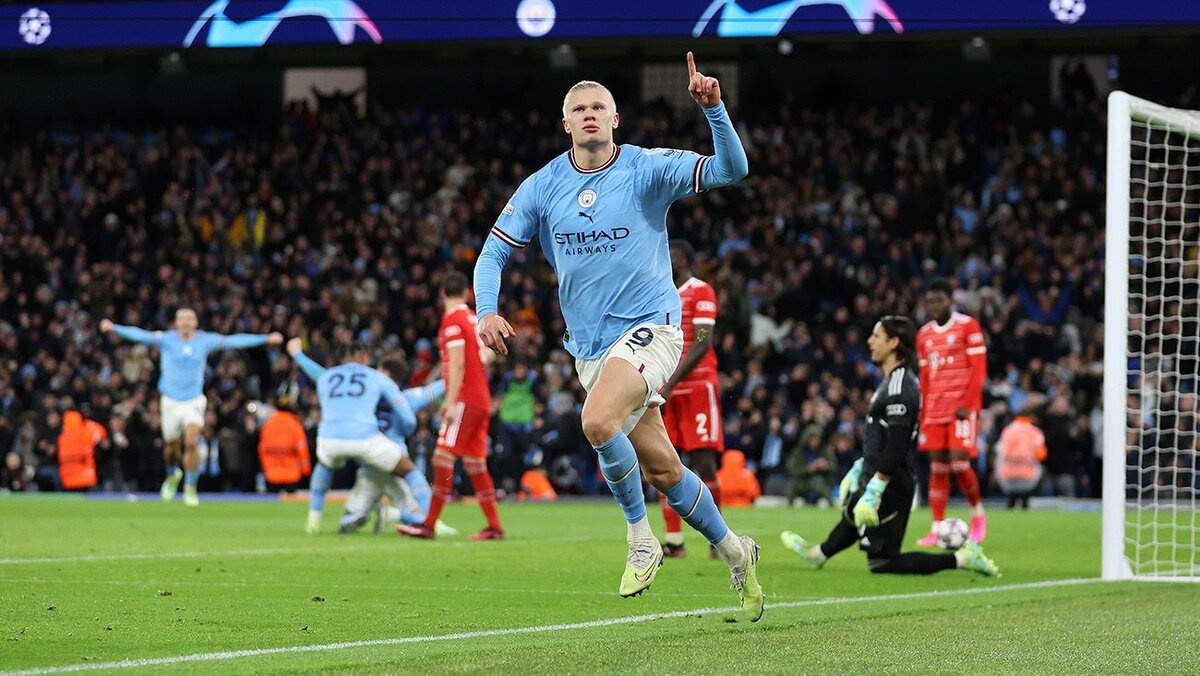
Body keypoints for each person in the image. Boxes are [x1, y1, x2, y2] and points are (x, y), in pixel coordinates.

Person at [471, 52, 763, 621]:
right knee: (664, 471)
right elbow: (492, 253)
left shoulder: (645, 169)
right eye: (578, 108)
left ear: (615, 118)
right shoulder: (542, 186)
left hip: (653, 327)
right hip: (590, 349)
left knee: (597, 422)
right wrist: (485, 311)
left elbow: (732, 171)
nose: (589, 114)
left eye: (598, 107)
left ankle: (640, 538)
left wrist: (715, 111)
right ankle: (736, 550)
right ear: (565, 123)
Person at [781, 317, 1000, 577]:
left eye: (877, 336)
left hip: (892, 483)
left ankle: (962, 558)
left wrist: (875, 490)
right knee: (853, 515)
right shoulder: (890, 381)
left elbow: (897, 444)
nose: (870, 342)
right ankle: (816, 555)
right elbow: (883, 436)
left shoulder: (900, 386)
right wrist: (861, 466)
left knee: (882, 562)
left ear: (894, 343)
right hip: (878, 472)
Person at [100, 309, 283, 506]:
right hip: (170, 401)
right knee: (171, 448)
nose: (186, 322)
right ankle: (173, 474)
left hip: (193, 401)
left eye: (190, 319)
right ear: (176, 322)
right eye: (182, 319)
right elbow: (140, 335)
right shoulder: (166, 339)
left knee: (191, 441)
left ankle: (190, 486)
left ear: (196, 322)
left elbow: (234, 341)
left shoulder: (205, 340)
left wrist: (265, 338)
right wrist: (114, 328)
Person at [397, 272, 505, 541]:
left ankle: (428, 524)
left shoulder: (452, 321)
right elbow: (487, 355)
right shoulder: (474, 318)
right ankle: (494, 527)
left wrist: (451, 399)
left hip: (465, 399)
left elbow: (457, 363)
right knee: (475, 463)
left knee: (442, 457)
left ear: (442, 293)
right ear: (467, 294)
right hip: (482, 399)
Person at [286, 338, 418, 535]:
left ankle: (314, 520)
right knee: (409, 481)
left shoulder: (332, 376)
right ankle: (426, 519)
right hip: (376, 448)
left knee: (326, 465)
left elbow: (318, 374)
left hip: (339, 445)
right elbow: (413, 412)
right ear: (365, 358)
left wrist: (298, 355)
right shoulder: (377, 379)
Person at [658, 239, 725, 558]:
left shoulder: (701, 291)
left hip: (697, 388)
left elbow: (702, 339)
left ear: (683, 260)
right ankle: (674, 541)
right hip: (664, 390)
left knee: (703, 463)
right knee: (662, 462)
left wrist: (671, 382)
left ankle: (718, 539)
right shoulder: (658, 292)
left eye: (670, 256)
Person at [339, 360, 452, 536]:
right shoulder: (405, 398)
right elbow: (430, 392)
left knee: (348, 518)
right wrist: (455, 376)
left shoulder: (364, 399)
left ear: (383, 371)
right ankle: (418, 519)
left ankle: (363, 513)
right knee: (415, 511)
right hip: (396, 463)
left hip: (369, 464)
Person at [914, 279, 989, 544]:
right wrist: (923, 413)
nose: (934, 306)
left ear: (950, 301)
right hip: (934, 409)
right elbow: (925, 377)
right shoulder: (924, 335)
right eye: (930, 301)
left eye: (939, 300)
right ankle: (936, 528)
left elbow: (978, 371)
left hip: (960, 409)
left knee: (959, 463)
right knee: (937, 467)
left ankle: (977, 514)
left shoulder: (968, 326)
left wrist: (968, 404)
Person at [995, 408, 1047, 509]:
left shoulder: (1008, 430)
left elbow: (1001, 450)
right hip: (1028, 469)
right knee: (1025, 498)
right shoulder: (1035, 431)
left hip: (1009, 470)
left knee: (1011, 498)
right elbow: (1041, 454)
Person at [256, 397, 311, 492]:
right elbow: (302, 449)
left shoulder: (268, 425)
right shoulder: (295, 425)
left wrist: (265, 469)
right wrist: (305, 470)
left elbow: (262, 449)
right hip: (291, 474)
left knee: (271, 500)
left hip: (272, 473)